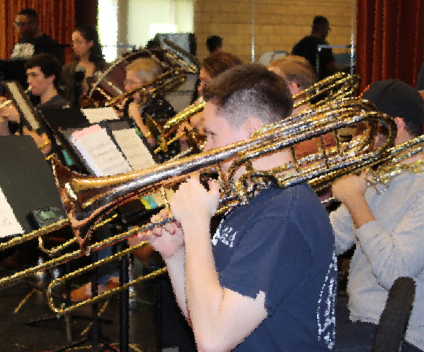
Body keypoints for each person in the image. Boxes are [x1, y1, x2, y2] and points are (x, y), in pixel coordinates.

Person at [140, 64, 337, 351]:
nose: (206, 150)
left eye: (212, 135)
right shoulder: (251, 195)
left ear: (254, 132)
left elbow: (213, 341)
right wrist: (174, 255)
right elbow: (205, 318)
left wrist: (196, 223)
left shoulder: (284, 215)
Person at [330, 79, 424, 352]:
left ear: (396, 126)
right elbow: (332, 239)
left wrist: (355, 200)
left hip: (402, 336)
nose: (362, 138)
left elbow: (396, 275)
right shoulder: (379, 173)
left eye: (368, 128)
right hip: (359, 316)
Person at [0, 53, 68, 155]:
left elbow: (44, 149)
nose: (28, 81)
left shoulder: (60, 108)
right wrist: (3, 118)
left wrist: (21, 118)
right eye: (28, 76)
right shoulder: (35, 108)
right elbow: (10, 145)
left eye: (34, 75)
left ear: (51, 77)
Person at [61, 25, 106, 107]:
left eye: (78, 42)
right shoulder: (68, 69)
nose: (74, 46)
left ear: (90, 43)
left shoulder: (103, 67)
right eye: (73, 42)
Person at [292, 16, 341, 80]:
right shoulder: (322, 45)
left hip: (302, 83)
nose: (327, 32)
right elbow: (332, 67)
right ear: (323, 28)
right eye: (327, 29)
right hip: (318, 84)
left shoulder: (299, 45)